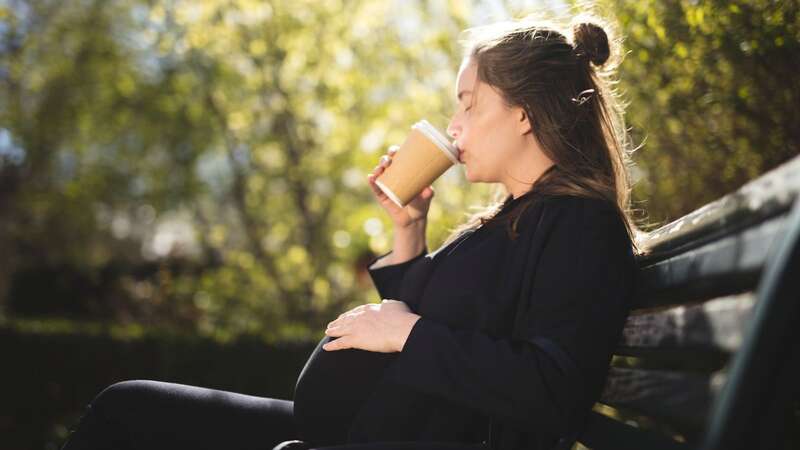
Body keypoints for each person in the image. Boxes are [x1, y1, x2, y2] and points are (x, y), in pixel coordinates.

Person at [59, 12, 644, 450]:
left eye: (468, 104)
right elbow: (452, 322)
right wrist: (409, 234)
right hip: (353, 432)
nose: (453, 124)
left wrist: (405, 334)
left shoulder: (577, 226)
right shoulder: (513, 218)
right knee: (129, 407)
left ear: (523, 113)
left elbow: (549, 391)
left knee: (127, 416)